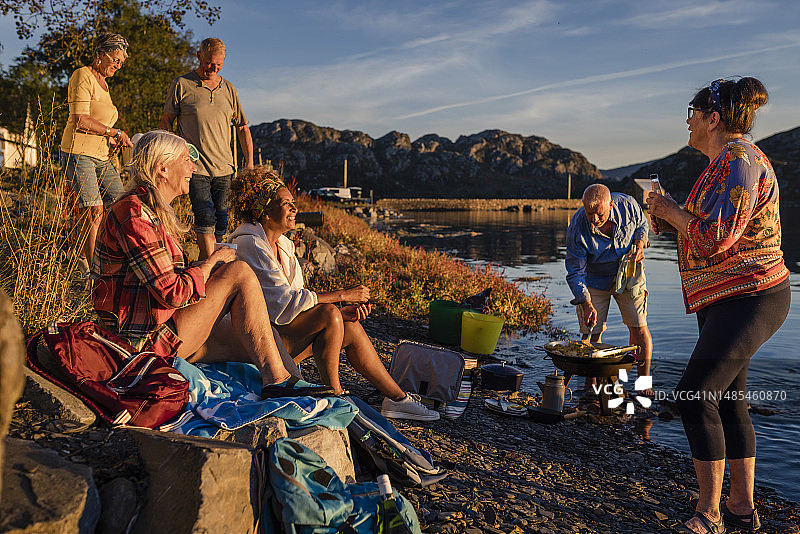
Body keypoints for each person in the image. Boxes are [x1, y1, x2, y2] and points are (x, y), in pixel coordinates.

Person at [648, 77, 790, 534]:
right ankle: (741, 510)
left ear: (714, 118)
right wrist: (668, 216)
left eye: (692, 112)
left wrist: (670, 211)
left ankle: (709, 515)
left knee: (694, 396)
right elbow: (703, 230)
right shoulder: (720, 164)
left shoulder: (741, 162)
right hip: (727, 297)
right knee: (729, 400)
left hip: (751, 297)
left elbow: (714, 238)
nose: (687, 122)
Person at [92, 130, 332, 400]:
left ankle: (295, 387)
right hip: (143, 341)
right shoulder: (134, 213)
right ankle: (276, 382)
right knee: (239, 272)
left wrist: (208, 268)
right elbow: (172, 293)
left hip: (165, 326)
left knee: (263, 332)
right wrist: (212, 263)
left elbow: (167, 281)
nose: (193, 168)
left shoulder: (154, 212)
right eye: (186, 160)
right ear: (163, 168)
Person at [227, 168, 441, 421]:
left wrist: (340, 315)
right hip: (260, 344)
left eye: (294, 203)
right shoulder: (249, 243)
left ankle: (397, 399)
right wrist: (342, 296)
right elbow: (283, 305)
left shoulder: (284, 244)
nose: (295, 209)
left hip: (283, 333)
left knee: (349, 326)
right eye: (286, 204)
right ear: (263, 211)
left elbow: (296, 304)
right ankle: (335, 396)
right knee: (329, 313)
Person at [159, 37, 254, 261]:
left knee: (221, 221)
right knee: (204, 216)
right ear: (198, 56)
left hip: (225, 168)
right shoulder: (182, 84)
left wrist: (248, 163)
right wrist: (174, 155)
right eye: (210, 62)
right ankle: (208, 268)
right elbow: (166, 122)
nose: (214, 68)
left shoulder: (229, 89)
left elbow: (242, 128)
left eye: (219, 64)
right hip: (194, 166)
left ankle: (209, 265)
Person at [565, 184, 653, 392]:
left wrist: (640, 244)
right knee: (591, 332)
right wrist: (586, 303)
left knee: (639, 328)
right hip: (595, 279)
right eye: (589, 214)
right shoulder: (577, 227)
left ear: (611, 205)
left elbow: (642, 224)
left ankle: (643, 385)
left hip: (629, 271)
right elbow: (575, 271)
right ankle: (591, 386)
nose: (594, 220)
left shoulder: (628, 204)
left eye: (600, 214)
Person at [60, 33, 133, 275]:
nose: (118, 65)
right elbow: (80, 119)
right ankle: (95, 271)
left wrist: (110, 138)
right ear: (100, 55)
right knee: (93, 209)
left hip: (101, 155)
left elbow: (98, 123)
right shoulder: (83, 75)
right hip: (78, 151)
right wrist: (114, 130)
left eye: (121, 62)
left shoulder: (105, 84)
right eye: (115, 59)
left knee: (121, 203)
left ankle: (107, 255)